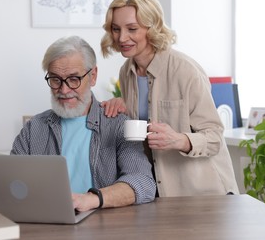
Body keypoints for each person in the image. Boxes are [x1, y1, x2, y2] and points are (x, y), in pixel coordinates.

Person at [100, 0, 239, 197]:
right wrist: (123, 106)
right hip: (164, 193)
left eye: (132, 28)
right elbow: (145, 117)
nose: (122, 37)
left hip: (206, 194)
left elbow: (215, 137)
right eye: (116, 29)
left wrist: (180, 140)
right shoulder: (126, 72)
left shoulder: (185, 71)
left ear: (151, 27)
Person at [11, 35, 156, 212]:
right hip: (48, 223)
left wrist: (91, 199)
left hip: (105, 226)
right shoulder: (34, 129)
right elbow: (13, 184)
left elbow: (143, 183)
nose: (64, 90)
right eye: (55, 79)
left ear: (93, 76)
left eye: (74, 79)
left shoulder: (117, 124)